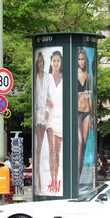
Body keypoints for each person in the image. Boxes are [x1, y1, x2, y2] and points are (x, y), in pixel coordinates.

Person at [44, 50, 63, 193]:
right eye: (54, 60)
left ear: (61, 63)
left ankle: (56, 180)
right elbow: (41, 95)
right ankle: (52, 181)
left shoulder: (64, 79)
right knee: (52, 151)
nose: (56, 63)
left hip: (61, 118)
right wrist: (46, 102)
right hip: (50, 118)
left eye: (58, 60)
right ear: (51, 62)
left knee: (58, 152)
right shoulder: (47, 78)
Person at [33, 51, 49, 192]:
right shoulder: (35, 77)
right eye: (38, 62)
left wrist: (47, 110)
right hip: (38, 113)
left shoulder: (47, 77)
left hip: (45, 114)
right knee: (38, 147)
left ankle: (43, 181)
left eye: (41, 61)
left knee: (44, 148)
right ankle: (38, 181)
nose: (40, 64)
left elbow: (49, 96)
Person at [77, 48, 93, 177]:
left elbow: (90, 95)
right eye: (79, 59)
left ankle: (79, 175)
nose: (81, 62)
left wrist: (92, 115)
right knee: (79, 142)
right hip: (77, 111)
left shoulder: (88, 75)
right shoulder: (73, 74)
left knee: (84, 145)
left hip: (87, 111)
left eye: (83, 59)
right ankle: (75, 175)